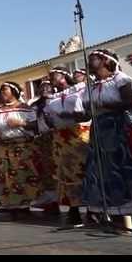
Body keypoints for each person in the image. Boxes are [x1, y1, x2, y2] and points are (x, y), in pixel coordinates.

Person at [81, 49, 132, 217]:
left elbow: (129, 102)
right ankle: (112, 209)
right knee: (103, 167)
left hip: (118, 124)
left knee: (122, 162)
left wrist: (106, 107)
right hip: (99, 127)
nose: (90, 62)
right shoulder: (92, 86)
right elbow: (87, 110)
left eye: (94, 58)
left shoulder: (120, 79)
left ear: (106, 61)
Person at [43, 66, 90, 224]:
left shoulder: (79, 89)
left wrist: (67, 115)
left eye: (53, 74)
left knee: (83, 169)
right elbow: (49, 118)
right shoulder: (53, 96)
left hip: (79, 132)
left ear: (63, 75)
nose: (50, 78)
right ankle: (73, 209)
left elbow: (86, 110)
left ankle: (92, 208)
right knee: (65, 173)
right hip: (60, 136)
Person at [0, 81, 39, 218]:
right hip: (4, 146)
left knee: (22, 174)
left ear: (14, 92)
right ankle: (11, 206)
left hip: (22, 145)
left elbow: (36, 126)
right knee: (5, 176)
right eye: (0, 90)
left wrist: (21, 123)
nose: (2, 93)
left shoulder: (25, 108)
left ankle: (24, 206)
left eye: (5, 89)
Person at [29, 79, 59, 214]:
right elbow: (34, 124)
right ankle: (51, 200)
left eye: (48, 86)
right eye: (42, 87)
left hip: (59, 135)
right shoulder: (36, 105)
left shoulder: (58, 100)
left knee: (60, 167)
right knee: (47, 168)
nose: (45, 89)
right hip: (43, 137)